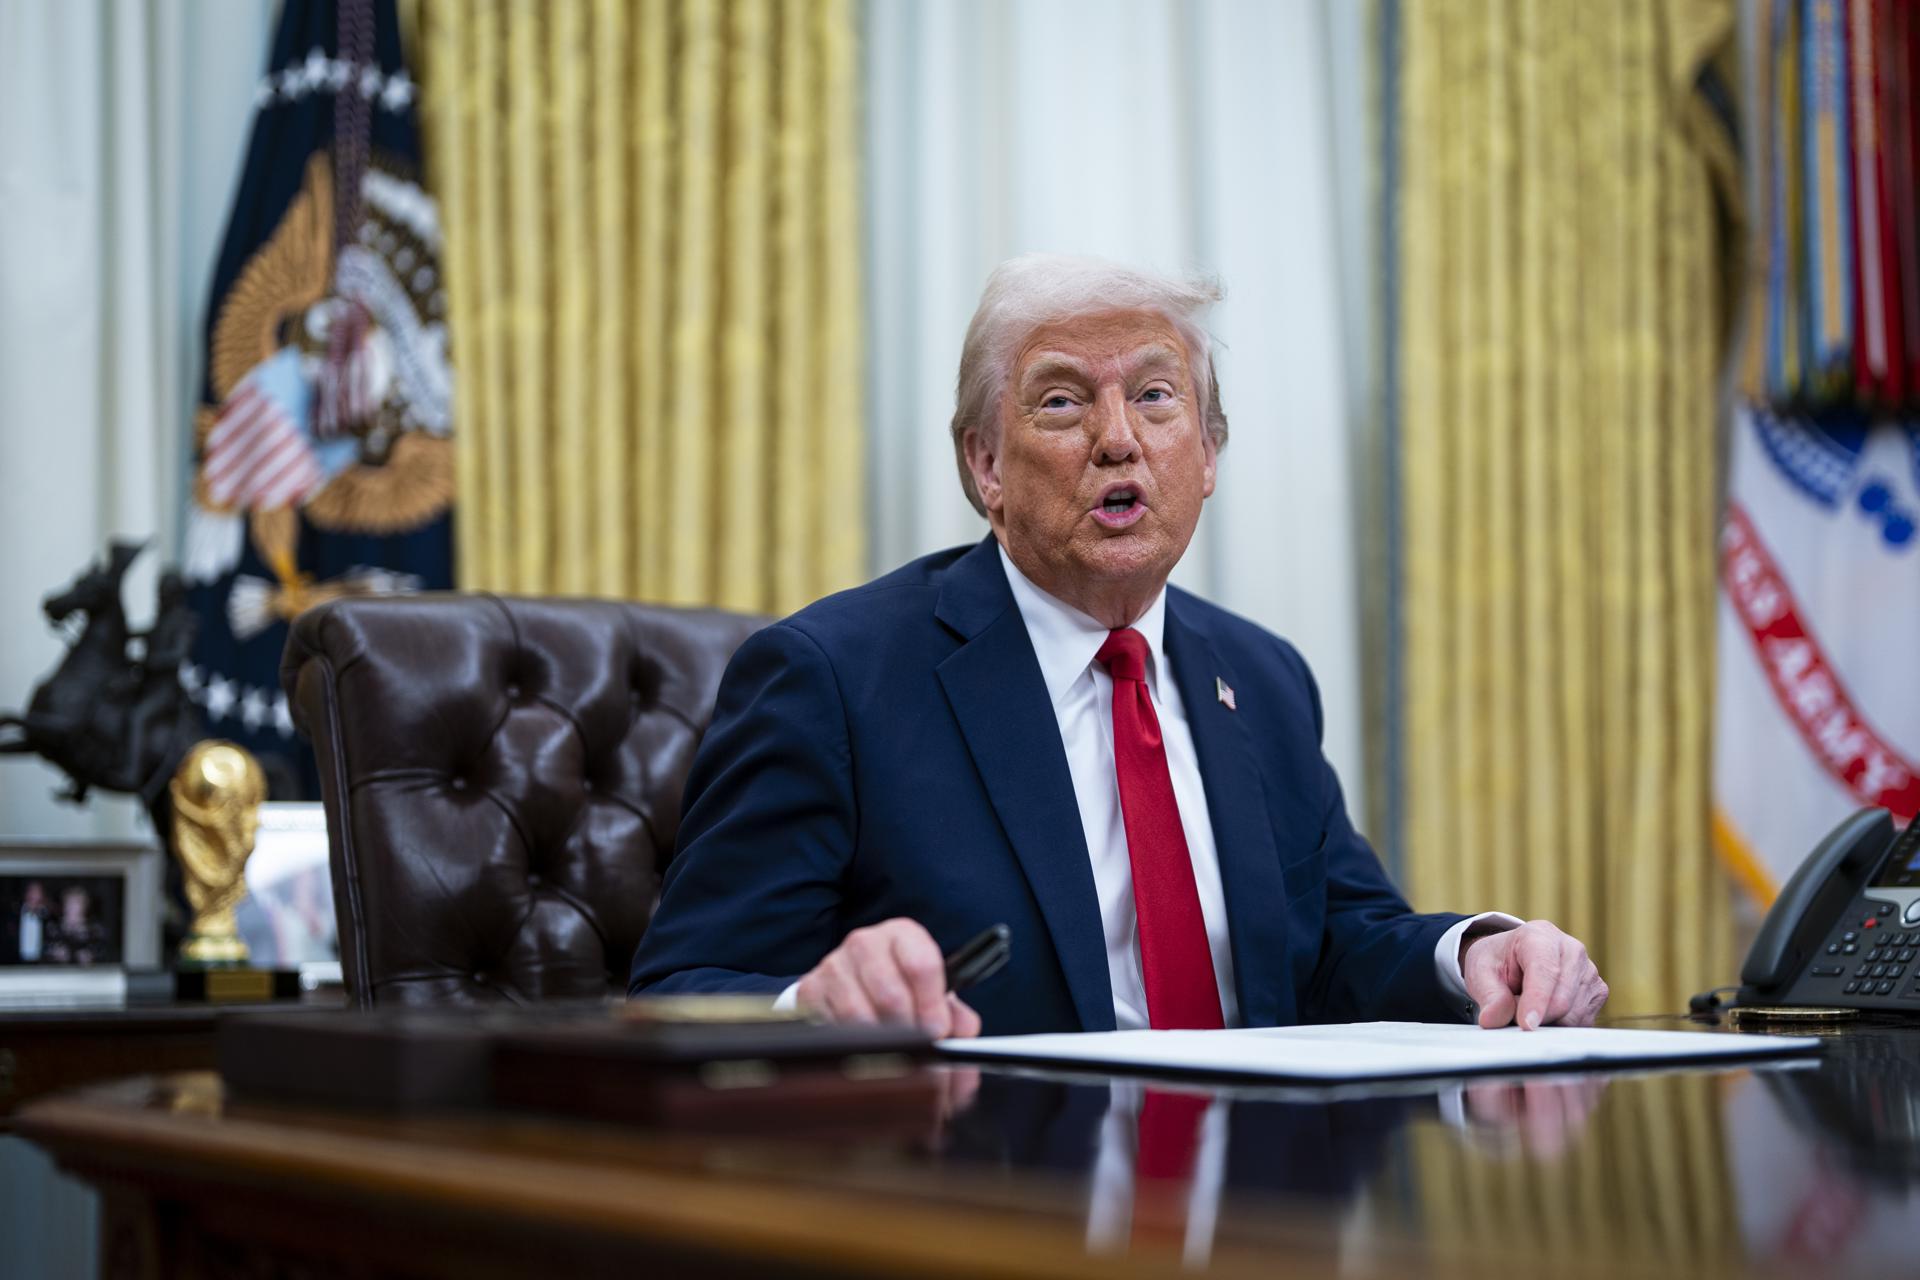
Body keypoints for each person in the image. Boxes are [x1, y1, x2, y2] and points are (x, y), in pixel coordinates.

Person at [630, 255, 1609, 1039]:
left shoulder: (1262, 677)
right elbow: (678, 989)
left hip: (1256, 1210)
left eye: (1155, 396)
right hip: (986, 1203)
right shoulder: (833, 677)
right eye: (1061, 402)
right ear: (984, 463)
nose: (1117, 439)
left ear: (1210, 450)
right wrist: (816, 1002)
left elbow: (1340, 940)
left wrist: (1474, 949)